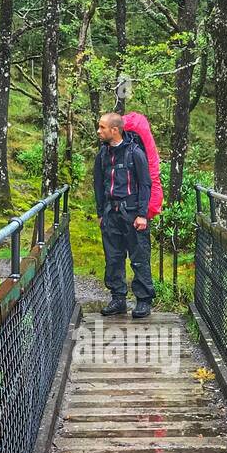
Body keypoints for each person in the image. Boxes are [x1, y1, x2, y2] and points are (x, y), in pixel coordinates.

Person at [93, 111, 155, 319]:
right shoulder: (102, 154)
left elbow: (146, 184)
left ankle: (143, 301)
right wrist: (101, 213)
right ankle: (118, 299)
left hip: (132, 213)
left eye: (102, 127)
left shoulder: (135, 153)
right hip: (111, 214)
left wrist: (142, 215)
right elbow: (98, 184)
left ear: (115, 130)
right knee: (113, 258)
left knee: (139, 258)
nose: (98, 131)